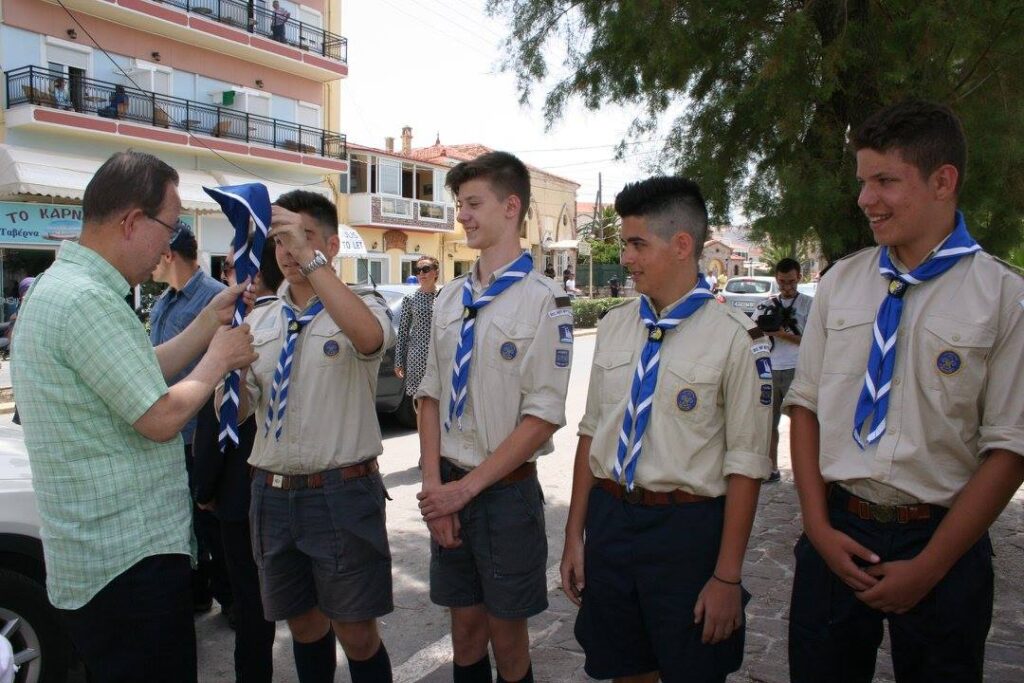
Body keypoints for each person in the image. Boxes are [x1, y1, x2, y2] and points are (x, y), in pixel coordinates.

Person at [783, 100, 1024, 682]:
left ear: (943, 181)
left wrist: (930, 566)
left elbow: (1011, 446)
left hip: (943, 539)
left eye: (886, 181)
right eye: (863, 181)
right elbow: (806, 407)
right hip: (838, 526)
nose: (866, 199)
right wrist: (818, 529)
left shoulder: (1003, 297)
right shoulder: (841, 283)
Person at [11, 150, 256, 681]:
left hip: (106, 559)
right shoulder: (86, 300)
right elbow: (160, 416)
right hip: (125, 565)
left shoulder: (68, 288)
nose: (169, 247)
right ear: (131, 222)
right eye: (169, 227)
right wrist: (219, 359)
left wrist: (206, 325)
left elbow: (135, 374)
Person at [561, 176, 771, 683]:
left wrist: (727, 576)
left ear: (681, 245)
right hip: (612, 521)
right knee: (625, 668)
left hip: (687, 532)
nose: (626, 258)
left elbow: (746, 464)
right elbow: (592, 433)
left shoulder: (737, 340)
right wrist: (574, 535)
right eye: (624, 244)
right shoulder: (615, 325)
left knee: (692, 670)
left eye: (637, 244)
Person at [416, 151, 573, 683]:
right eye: (460, 205)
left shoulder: (546, 301)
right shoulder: (449, 298)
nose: (462, 215)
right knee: (464, 633)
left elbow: (543, 416)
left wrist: (465, 491)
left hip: (505, 494)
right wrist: (435, 489)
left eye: (473, 203)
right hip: (450, 485)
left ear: (511, 207)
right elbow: (430, 394)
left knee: (508, 640)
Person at [227, 190, 395, 683]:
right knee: (302, 626)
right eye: (280, 240)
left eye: (301, 237)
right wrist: (231, 368)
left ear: (332, 245)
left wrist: (311, 259)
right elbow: (239, 412)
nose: (288, 251)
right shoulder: (260, 318)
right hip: (273, 494)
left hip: (341, 492)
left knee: (356, 632)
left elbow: (370, 339)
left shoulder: (361, 305)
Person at [193, 240, 283, 683]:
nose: (224, 274)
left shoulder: (238, 330)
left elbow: (216, 421)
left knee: (251, 606)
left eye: (229, 267)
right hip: (275, 488)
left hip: (239, 492)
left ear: (252, 276)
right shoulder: (296, 320)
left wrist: (203, 488)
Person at [149, 225, 234, 615]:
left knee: (211, 522)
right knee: (183, 523)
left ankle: (232, 601)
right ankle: (198, 592)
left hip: (201, 432)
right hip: (168, 430)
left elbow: (226, 369)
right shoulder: (164, 301)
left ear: (168, 255)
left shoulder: (214, 299)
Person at [751, 257, 811, 483]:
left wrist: (783, 335)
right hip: (770, 368)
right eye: (782, 282)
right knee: (769, 423)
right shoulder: (765, 305)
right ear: (776, 279)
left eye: (791, 282)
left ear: (799, 278)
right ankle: (772, 468)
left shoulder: (808, 304)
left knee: (802, 425)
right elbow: (751, 334)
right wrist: (762, 332)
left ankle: (803, 474)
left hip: (797, 368)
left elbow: (813, 340)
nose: (787, 287)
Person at [395, 256, 440, 428]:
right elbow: (403, 332)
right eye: (418, 270)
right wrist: (399, 361)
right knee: (422, 403)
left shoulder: (444, 296)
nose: (421, 273)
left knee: (440, 402)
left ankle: (440, 442)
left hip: (440, 356)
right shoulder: (411, 298)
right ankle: (424, 443)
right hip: (418, 358)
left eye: (426, 269)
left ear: (435, 272)